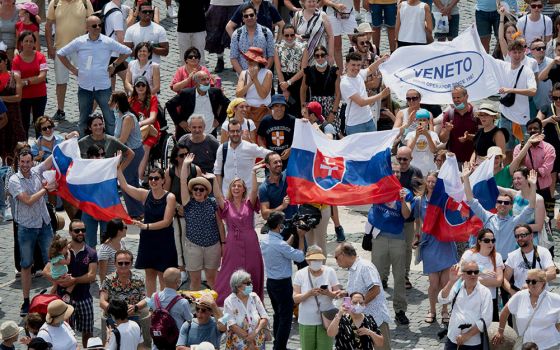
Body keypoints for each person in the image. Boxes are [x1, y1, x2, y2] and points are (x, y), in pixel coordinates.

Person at [57, 15, 132, 136]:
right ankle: (83, 146)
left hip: (103, 87)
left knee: (109, 119)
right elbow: (61, 53)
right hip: (85, 87)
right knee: (83, 120)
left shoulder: (107, 41)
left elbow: (127, 51)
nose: (98, 27)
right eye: (94, 26)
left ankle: (111, 146)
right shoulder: (79, 41)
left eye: (99, 25)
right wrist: (72, 69)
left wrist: (114, 64)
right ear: (87, 27)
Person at [7, 150, 55, 316]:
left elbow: (51, 159)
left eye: (28, 162)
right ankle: (26, 301)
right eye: (23, 162)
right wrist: (45, 189)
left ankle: (56, 293)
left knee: (54, 259)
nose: (26, 165)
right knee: (26, 265)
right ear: (18, 162)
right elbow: (27, 201)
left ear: (33, 162)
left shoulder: (36, 171)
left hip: (44, 223)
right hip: (26, 227)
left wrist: (66, 143)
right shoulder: (14, 180)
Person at [117, 167, 177, 296]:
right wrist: (118, 169)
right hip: (148, 240)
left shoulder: (169, 197)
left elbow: (166, 221)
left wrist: (146, 226)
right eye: (150, 178)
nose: (153, 181)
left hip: (164, 240)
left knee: (163, 276)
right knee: (149, 274)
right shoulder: (145, 194)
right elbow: (125, 186)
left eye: (156, 178)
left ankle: (163, 305)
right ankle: (151, 305)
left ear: (163, 180)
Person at [78, 113, 134, 247]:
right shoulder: (82, 143)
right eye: (95, 125)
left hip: (108, 195)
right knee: (89, 240)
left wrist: (118, 170)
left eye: (100, 124)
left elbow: (130, 154)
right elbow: (75, 162)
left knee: (107, 237)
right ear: (90, 127)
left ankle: (106, 265)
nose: (98, 127)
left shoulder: (111, 140)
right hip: (89, 196)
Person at [213, 165, 265, 306]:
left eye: (239, 186)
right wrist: (213, 179)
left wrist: (253, 172)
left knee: (252, 268)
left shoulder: (249, 203)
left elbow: (255, 190)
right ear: (230, 189)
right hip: (233, 241)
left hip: (250, 240)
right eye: (233, 186)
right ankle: (226, 299)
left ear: (243, 189)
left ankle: (252, 299)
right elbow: (217, 196)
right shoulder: (226, 205)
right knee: (229, 269)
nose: (236, 188)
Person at [462, 163, 536, 260]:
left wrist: (533, 185)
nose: (502, 204)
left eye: (506, 203)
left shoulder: (515, 222)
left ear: (511, 206)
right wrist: (466, 179)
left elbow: (531, 207)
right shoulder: (487, 216)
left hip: (507, 263)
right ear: (496, 205)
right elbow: (471, 200)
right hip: (487, 261)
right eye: (500, 202)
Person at [43, 219, 98, 348]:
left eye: (83, 230)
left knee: (87, 332)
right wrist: (58, 281)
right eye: (77, 230)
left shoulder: (91, 253)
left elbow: (92, 275)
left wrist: (74, 280)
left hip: (84, 298)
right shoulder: (61, 250)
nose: (80, 233)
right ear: (70, 232)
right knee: (65, 331)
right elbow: (46, 271)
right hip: (63, 299)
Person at [414, 172, 458, 324]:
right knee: (433, 283)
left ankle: (444, 310)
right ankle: (431, 310)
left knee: (446, 281)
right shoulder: (420, 201)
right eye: (430, 181)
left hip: (445, 242)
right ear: (426, 182)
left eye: (435, 182)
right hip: (429, 243)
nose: (432, 184)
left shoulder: (445, 199)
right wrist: (417, 236)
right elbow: (418, 221)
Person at [368, 183, 413, 325]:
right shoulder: (378, 187)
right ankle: (373, 309)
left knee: (399, 276)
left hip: (397, 239)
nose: (395, 174)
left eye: (398, 172)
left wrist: (402, 200)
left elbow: (406, 215)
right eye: (393, 171)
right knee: (376, 276)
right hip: (379, 237)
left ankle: (400, 310)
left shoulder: (406, 192)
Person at [260, 211, 306, 350]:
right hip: (283, 284)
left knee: (277, 315)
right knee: (286, 318)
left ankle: (277, 345)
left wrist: (293, 233)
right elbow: (299, 257)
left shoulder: (265, 240)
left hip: (271, 282)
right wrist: (301, 237)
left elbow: (282, 247)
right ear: (279, 226)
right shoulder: (280, 245)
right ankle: (280, 347)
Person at [333, 243, 392, 350]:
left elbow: (375, 289)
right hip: (362, 321)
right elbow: (359, 290)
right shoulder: (353, 269)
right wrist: (346, 293)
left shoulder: (365, 266)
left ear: (343, 255)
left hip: (376, 318)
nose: (336, 261)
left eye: (336, 257)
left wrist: (360, 304)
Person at [45, 0, 93, 122]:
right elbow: (48, 25)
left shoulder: (85, 2)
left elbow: (92, 23)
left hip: (81, 50)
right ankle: (60, 110)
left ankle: (85, 111)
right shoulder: (55, 3)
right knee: (60, 82)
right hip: (61, 49)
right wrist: (50, 46)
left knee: (85, 80)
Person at [181, 158, 224, 290]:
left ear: (206, 191)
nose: (198, 191)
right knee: (195, 281)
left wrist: (224, 244)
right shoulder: (188, 203)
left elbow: (220, 224)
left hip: (213, 245)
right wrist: (185, 165)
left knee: (212, 279)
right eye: (195, 189)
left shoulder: (212, 202)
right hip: (193, 245)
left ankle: (213, 306)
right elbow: (183, 182)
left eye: (201, 189)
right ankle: (197, 308)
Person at [492, 269, 560, 349]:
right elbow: (505, 311)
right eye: (528, 281)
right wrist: (500, 331)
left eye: (534, 281)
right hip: (526, 346)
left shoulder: (555, 299)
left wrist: (554, 331)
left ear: (543, 283)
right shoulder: (520, 296)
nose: (530, 284)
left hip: (549, 345)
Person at [494, 39, 538, 162]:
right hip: (505, 116)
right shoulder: (502, 66)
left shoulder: (527, 70)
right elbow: (485, 57)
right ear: (509, 53)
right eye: (515, 52)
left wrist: (511, 90)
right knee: (507, 150)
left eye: (520, 52)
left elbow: (533, 90)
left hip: (522, 118)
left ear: (524, 52)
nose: (517, 55)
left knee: (524, 150)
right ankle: (509, 178)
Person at [293, 246, 340, 350]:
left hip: (327, 318)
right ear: (308, 260)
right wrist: (308, 294)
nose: (317, 262)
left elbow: (338, 294)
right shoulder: (300, 274)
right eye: (314, 259)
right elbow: (295, 298)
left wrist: (328, 293)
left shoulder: (330, 271)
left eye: (319, 259)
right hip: (306, 320)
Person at [438, 261, 493, 349]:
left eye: (476, 272)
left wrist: (467, 336)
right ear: (463, 275)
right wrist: (451, 281)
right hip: (452, 338)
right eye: (469, 272)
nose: (473, 275)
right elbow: (442, 299)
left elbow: (486, 319)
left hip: (473, 343)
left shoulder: (485, 292)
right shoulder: (457, 287)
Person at [214, 119, 272, 195]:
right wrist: (220, 194)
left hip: (248, 195)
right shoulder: (222, 149)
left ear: (241, 132)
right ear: (228, 133)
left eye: (237, 131)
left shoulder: (250, 147)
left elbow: (271, 154)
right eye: (232, 131)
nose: (235, 133)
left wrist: (262, 163)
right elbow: (217, 172)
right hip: (228, 195)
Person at [110, 91, 144, 219]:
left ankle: (136, 212)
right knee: (132, 182)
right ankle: (139, 210)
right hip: (128, 153)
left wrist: (108, 143)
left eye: (111, 100)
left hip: (133, 153)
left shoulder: (128, 118)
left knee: (125, 182)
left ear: (117, 103)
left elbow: (122, 139)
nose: (109, 103)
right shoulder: (119, 115)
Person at [512, 118, 556, 218]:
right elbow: (517, 168)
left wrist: (525, 174)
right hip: (525, 189)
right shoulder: (519, 148)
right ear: (526, 131)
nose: (532, 131)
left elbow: (545, 170)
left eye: (535, 128)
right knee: (525, 217)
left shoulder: (549, 148)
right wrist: (525, 147)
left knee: (546, 218)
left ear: (541, 131)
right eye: (530, 129)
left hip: (543, 189)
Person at [167, 72, 230, 139]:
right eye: (203, 80)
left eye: (208, 79)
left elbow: (227, 103)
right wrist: (179, 121)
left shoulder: (216, 92)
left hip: (209, 132)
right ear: (196, 83)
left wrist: (219, 120)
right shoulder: (186, 93)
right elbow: (170, 105)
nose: (207, 82)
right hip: (188, 133)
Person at [340, 52, 390, 134]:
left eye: (358, 65)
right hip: (354, 125)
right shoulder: (345, 83)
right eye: (353, 65)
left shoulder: (359, 74)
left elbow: (370, 69)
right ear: (346, 65)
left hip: (369, 119)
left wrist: (381, 60)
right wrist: (381, 95)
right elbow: (361, 102)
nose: (356, 68)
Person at [461, 228, 505, 321]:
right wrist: (481, 272)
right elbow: (461, 274)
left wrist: (473, 278)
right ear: (479, 241)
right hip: (471, 297)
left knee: (489, 330)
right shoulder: (469, 254)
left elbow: (498, 282)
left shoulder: (497, 256)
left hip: (490, 299)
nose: (490, 243)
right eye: (487, 240)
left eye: (493, 240)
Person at [502, 224, 556, 296]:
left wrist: (533, 282)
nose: (520, 238)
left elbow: (552, 273)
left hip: (541, 296)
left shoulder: (543, 252)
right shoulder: (512, 256)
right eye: (517, 236)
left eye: (523, 235)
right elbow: (504, 279)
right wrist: (513, 292)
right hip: (522, 297)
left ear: (531, 236)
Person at [11, 31, 47, 138]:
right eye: (26, 41)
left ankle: (41, 147)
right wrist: (33, 79)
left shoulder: (41, 57)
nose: (28, 43)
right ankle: (24, 150)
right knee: (24, 124)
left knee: (39, 124)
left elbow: (42, 77)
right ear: (21, 43)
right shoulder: (16, 60)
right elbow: (17, 80)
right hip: (24, 97)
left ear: (34, 43)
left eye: (31, 41)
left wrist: (25, 81)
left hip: (40, 96)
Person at [223, 269, 269, 350]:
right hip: (239, 342)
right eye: (247, 283)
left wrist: (255, 333)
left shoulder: (254, 297)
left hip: (258, 339)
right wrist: (249, 340)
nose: (251, 285)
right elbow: (232, 325)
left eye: (251, 282)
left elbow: (264, 317)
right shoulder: (229, 301)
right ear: (238, 286)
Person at [99, 250, 146, 328]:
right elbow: (102, 301)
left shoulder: (139, 279)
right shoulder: (108, 280)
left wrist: (136, 307)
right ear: (115, 264)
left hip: (133, 316)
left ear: (131, 264)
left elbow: (145, 299)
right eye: (120, 263)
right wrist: (115, 311)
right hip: (114, 317)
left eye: (126, 263)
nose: (123, 265)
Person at [300, 46, 341, 135]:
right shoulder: (309, 71)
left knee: (333, 132)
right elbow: (303, 90)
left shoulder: (334, 70)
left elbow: (338, 94)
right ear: (314, 57)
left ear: (326, 56)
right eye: (317, 56)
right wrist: (303, 106)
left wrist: (333, 112)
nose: (320, 58)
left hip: (330, 105)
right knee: (316, 132)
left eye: (322, 55)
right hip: (314, 107)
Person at [138, 267, 192, 334]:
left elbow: (151, 310)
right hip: (176, 339)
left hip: (158, 337)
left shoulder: (154, 296)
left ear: (163, 279)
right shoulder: (183, 302)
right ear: (179, 282)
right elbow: (190, 320)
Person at [438, 85, 481, 164]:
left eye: (458, 97)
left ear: (466, 97)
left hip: (473, 161)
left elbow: (483, 137)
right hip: (453, 160)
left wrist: (469, 137)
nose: (456, 100)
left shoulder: (476, 114)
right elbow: (442, 139)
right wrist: (447, 131)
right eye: (454, 98)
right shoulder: (448, 114)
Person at [129, 75, 160, 183]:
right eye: (138, 85)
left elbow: (152, 118)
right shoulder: (131, 100)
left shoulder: (152, 98)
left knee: (145, 147)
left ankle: (139, 177)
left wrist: (140, 123)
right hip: (135, 131)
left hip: (151, 131)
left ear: (147, 87)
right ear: (135, 87)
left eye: (143, 85)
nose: (141, 87)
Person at [230, 3, 275, 75]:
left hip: (262, 75)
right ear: (243, 19)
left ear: (256, 16)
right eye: (246, 16)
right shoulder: (236, 34)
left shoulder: (266, 32)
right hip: (244, 75)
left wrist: (263, 74)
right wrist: (242, 75)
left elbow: (271, 55)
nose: (249, 18)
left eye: (251, 15)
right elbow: (233, 57)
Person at [235, 46, 273, 129]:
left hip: (262, 111)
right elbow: (238, 94)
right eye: (248, 59)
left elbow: (263, 95)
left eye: (252, 60)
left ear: (258, 62)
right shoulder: (244, 73)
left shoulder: (267, 73)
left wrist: (255, 79)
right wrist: (250, 83)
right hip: (246, 111)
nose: (249, 62)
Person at [274, 24, 308, 117]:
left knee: (298, 110)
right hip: (283, 80)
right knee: (284, 111)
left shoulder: (303, 47)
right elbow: (278, 69)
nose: (289, 38)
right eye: (286, 35)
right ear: (282, 35)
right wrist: (284, 87)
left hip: (298, 81)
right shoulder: (277, 47)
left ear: (295, 34)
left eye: (292, 35)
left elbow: (303, 69)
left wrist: (289, 83)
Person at [257, 94, 296, 169]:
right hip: (271, 160)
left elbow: (299, 137)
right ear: (272, 107)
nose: (279, 108)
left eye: (282, 106)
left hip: (288, 160)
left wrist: (290, 149)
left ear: (285, 107)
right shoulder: (266, 120)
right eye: (276, 106)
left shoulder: (292, 120)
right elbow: (260, 137)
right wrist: (266, 152)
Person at [204, 0, 243, 73]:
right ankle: (220, 59)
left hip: (236, 3)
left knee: (236, 34)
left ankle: (236, 61)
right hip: (217, 3)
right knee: (216, 34)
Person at [0, 49, 25, 161]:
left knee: (16, 144)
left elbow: (18, 97)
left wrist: (0, 98)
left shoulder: (15, 76)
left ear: (5, 61)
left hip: (14, 116)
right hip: (1, 116)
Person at [292, 0, 335, 65]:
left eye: (314, 1)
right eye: (309, 1)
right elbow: (291, 33)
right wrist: (298, 36)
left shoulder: (322, 15)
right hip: (301, 54)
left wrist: (330, 55)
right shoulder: (297, 15)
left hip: (319, 55)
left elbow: (331, 36)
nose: (312, 4)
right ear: (303, 2)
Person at [259, 152, 298, 220]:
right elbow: (264, 215)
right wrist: (282, 206)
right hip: (277, 227)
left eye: (280, 161)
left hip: (295, 223)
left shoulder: (288, 174)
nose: (279, 164)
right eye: (275, 162)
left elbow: (299, 160)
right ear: (267, 165)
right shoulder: (264, 188)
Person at [405, 109, 440, 175]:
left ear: (428, 121)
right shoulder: (410, 134)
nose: (422, 122)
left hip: (429, 170)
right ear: (416, 121)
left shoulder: (433, 134)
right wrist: (416, 136)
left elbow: (434, 150)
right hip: (414, 170)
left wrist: (427, 135)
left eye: (424, 120)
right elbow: (408, 151)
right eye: (420, 120)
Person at [97, 218, 127, 282]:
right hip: (111, 285)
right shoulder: (105, 250)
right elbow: (102, 273)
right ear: (119, 231)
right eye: (125, 227)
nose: (127, 229)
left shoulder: (122, 242)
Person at [175, 0, 205, 64]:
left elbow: (206, 3)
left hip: (199, 25)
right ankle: (185, 73)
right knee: (184, 56)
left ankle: (201, 73)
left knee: (200, 55)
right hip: (183, 26)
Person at [48, 234, 73, 300]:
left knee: (55, 287)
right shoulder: (59, 259)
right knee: (72, 282)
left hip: (57, 275)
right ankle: (66, 295)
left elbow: (67, 245)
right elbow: (67, 262)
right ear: (59, 250)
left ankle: (49, 297)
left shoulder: (57, 256)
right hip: (58, 276)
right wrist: (69, 253)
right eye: (65, 248)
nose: (67, 249)